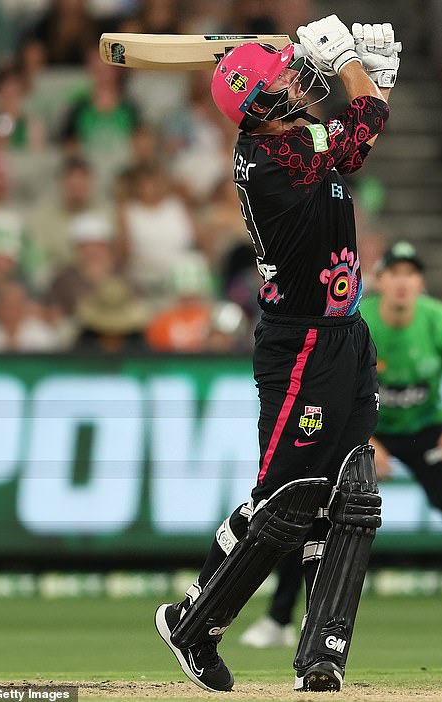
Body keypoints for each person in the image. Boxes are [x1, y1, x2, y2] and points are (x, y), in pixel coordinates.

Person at [153, 15, 401, 694]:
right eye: (286, 79)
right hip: (302, 346)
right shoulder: (273, 159)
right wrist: (356, 68)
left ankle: (322, 654)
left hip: (345, 332)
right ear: (260, 107)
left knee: (351, 495)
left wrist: (367, 79)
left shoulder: (292, 139)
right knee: (286, 501)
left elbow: (354, 144)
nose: (297, 79)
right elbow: (361, 126)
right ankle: (191, 621)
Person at [240, 241, 442, 653]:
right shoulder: (361, 321)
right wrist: (369, 441)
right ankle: (278, 619)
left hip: (423, 429)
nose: (402, 282)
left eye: (410, 274)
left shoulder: (438, 320)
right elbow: (341, 390)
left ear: (420, 282)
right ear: (379, 280)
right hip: (362, 424)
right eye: (394, 273)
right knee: (312, 508)